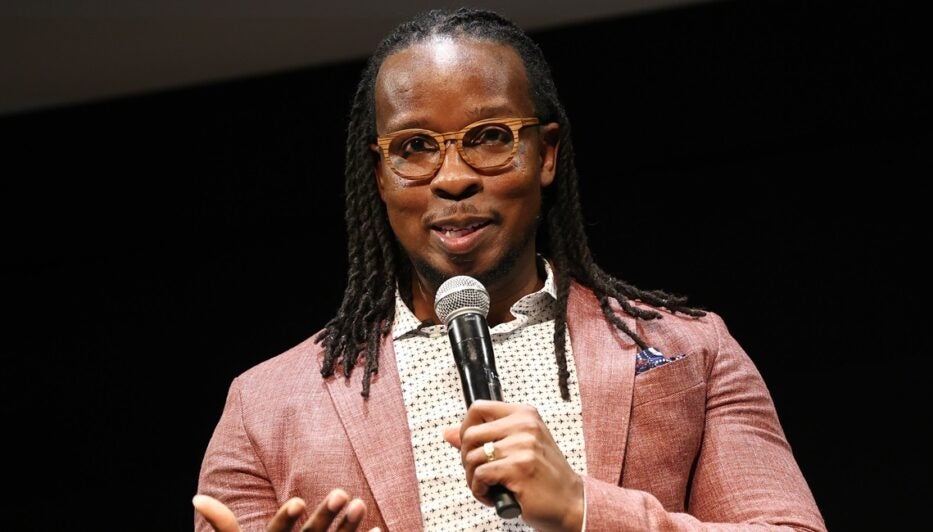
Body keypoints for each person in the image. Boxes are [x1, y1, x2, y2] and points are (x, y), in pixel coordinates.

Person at [193, 7, 826, 532]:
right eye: (414, 148)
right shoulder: (266, 405)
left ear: (545, 153)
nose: (455, 177)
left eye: (489, 136)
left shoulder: (690, 350)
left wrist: (584, 508)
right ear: (379, 173)